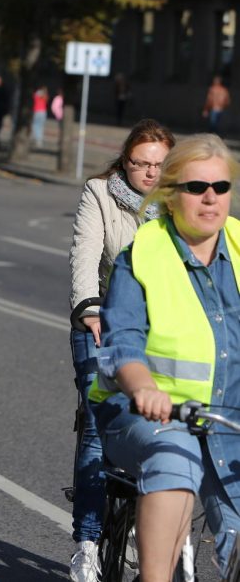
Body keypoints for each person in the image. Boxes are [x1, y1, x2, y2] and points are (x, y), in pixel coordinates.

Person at [91, 133, 240, 582]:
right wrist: (146, 389)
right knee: (174, 455)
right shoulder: (143, 256)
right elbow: (125, 346)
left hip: (227, 423)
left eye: (221, 187)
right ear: (171, 196)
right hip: (150, 417)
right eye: (196, 187)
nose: (210, 198)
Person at [67, 119, 175, 582]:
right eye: (140, 163)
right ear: (125, 160)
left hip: (164, 328)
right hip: (103, 322)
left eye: (158, 165)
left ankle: (141, 524)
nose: (149, 173)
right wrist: (89, 307)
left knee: (166, 424)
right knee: (96, 425)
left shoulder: (181, 200)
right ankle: (88, 544)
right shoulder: (100, 193)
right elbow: (86, 253)